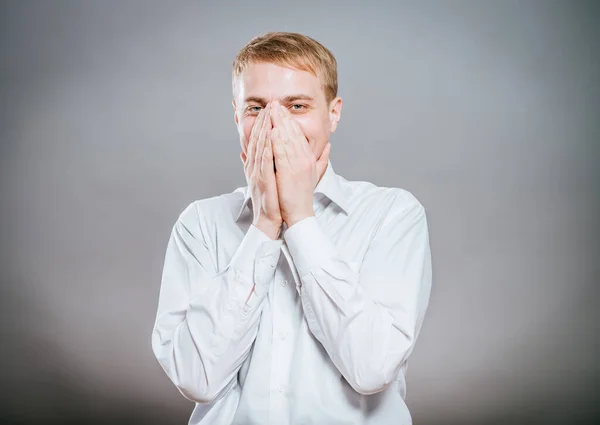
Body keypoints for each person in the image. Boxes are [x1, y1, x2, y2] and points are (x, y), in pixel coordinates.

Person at [151, 31, 432, 425]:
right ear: (237, 116)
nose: (274, 125)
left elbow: (372, 368)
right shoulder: (199, 224)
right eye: (256, 108)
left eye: (296, 105)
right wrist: (265, 223)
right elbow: (196, 377)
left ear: (332, 114)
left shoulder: (394, 215)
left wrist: (300, 220)